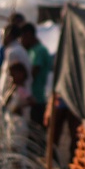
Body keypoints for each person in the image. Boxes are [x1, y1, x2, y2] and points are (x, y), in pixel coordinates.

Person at [18, 22, 52, 152]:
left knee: (36, 137)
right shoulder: (32, 50)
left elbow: (32, 73)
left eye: (23, 37)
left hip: (37, 98)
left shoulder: (40, 51)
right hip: (32, 98)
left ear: (29, 35)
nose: (21, 41)